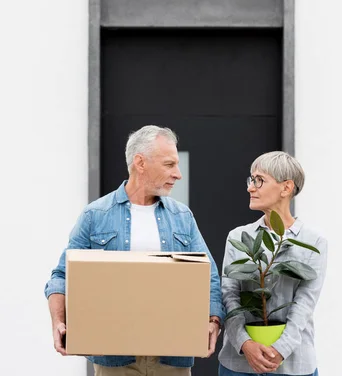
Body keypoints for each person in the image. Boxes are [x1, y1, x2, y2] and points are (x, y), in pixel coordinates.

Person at [45, 125, 224, 376]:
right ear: (140, 163)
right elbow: (62, 276)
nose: (178, 174)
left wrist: (213, 320)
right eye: (169, 164)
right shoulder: (96, 215)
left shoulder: (182, 216)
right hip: (115, 359)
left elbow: (210, 277)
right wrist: (59, 322)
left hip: (172, 356)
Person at [218, 151, 327, 376]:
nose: (250, 187)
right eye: (251, 180)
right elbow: (229, 295)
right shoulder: (238, 237)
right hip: (238, 364)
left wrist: (280, 349)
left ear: (286, 188)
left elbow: (305, 303)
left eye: (259, 180)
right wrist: (245, 344)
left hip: (293, 365)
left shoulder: (313, 241)